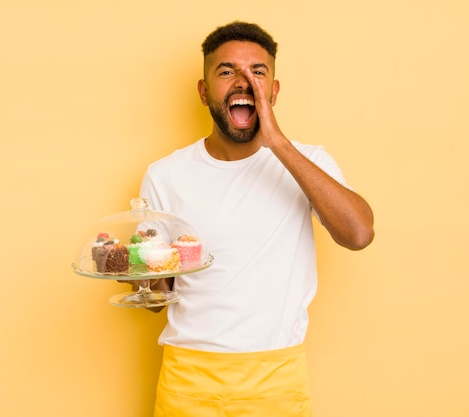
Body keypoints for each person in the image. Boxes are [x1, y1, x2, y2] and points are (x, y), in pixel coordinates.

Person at [130, 21, 374, 417]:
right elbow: (154, 298)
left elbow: (359, 233)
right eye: (226, 71)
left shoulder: (309, 161)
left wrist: (276, 141)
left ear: (273, 92)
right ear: (204, 90)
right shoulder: (165, 174)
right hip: (186, 378)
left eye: (258, 72)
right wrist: (139, 273)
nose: (244, 83)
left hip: (276, 379)